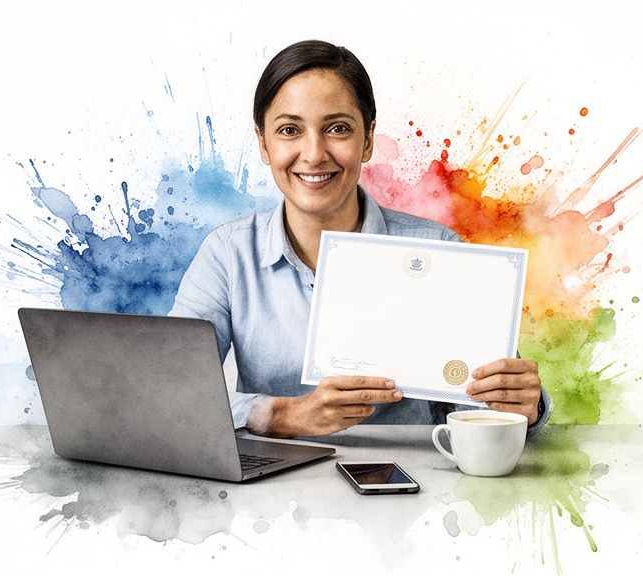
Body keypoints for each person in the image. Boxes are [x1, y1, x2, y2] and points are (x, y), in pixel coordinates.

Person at [169, 39, 551, 438]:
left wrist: (523, 405)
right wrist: (278, 414)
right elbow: (171, 389)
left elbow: (485, 412)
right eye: (289, 130)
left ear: (367, 139)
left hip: (413, 473)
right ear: (263, 143)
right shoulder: (227, 255)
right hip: (270, 475)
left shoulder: (440, 250)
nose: (314, 154)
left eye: (337, 128)